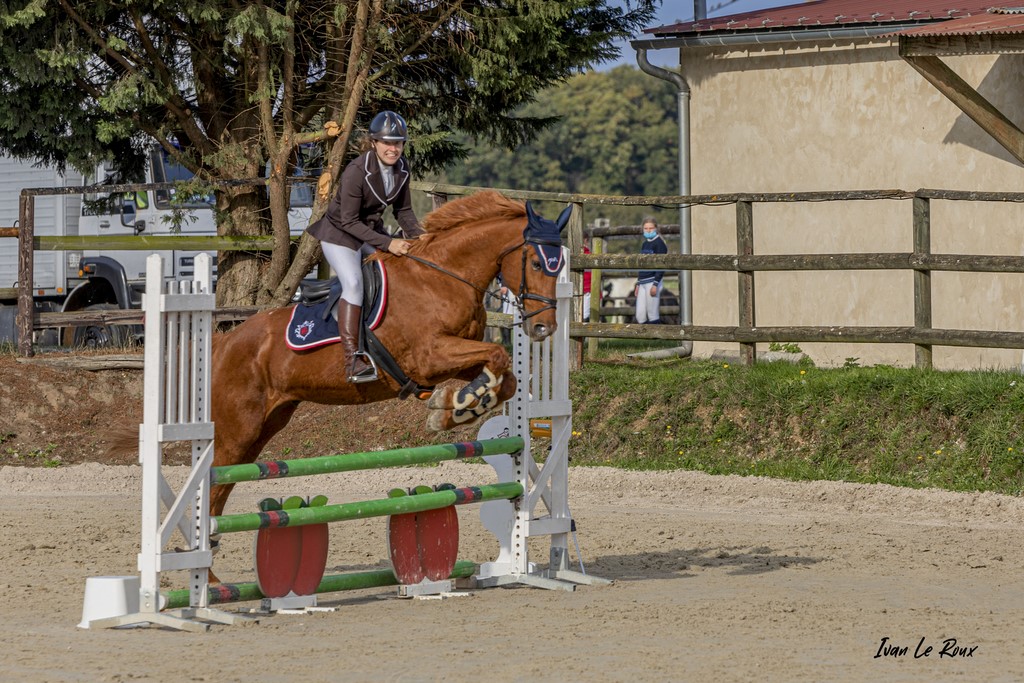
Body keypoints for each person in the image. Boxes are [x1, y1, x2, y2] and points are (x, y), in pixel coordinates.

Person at [307, 110, 424, 382]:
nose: (392, 148)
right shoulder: (356, 171)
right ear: (374, 142)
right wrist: (388, 243)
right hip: (339, 235)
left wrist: (420, 241)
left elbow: (404, 211)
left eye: (397, 142)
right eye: (387, 142)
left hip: (369, 233)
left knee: (401, 272)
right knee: (354, 284)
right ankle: (353, 360)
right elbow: (348, 221)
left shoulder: (402, 168)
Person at [634, 217, 668, 324]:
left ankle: (655, 338)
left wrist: (656, 284)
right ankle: (645, 338)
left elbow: (662, 265)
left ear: (656, 228)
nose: (648, 231)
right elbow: (641, 264)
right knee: (640, 315)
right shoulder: (645, 244)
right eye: (646, 228)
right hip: (643, 281)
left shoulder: (660, 244)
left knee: (652, 313)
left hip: (652, 281)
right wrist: (638, 283)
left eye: (651, 228)